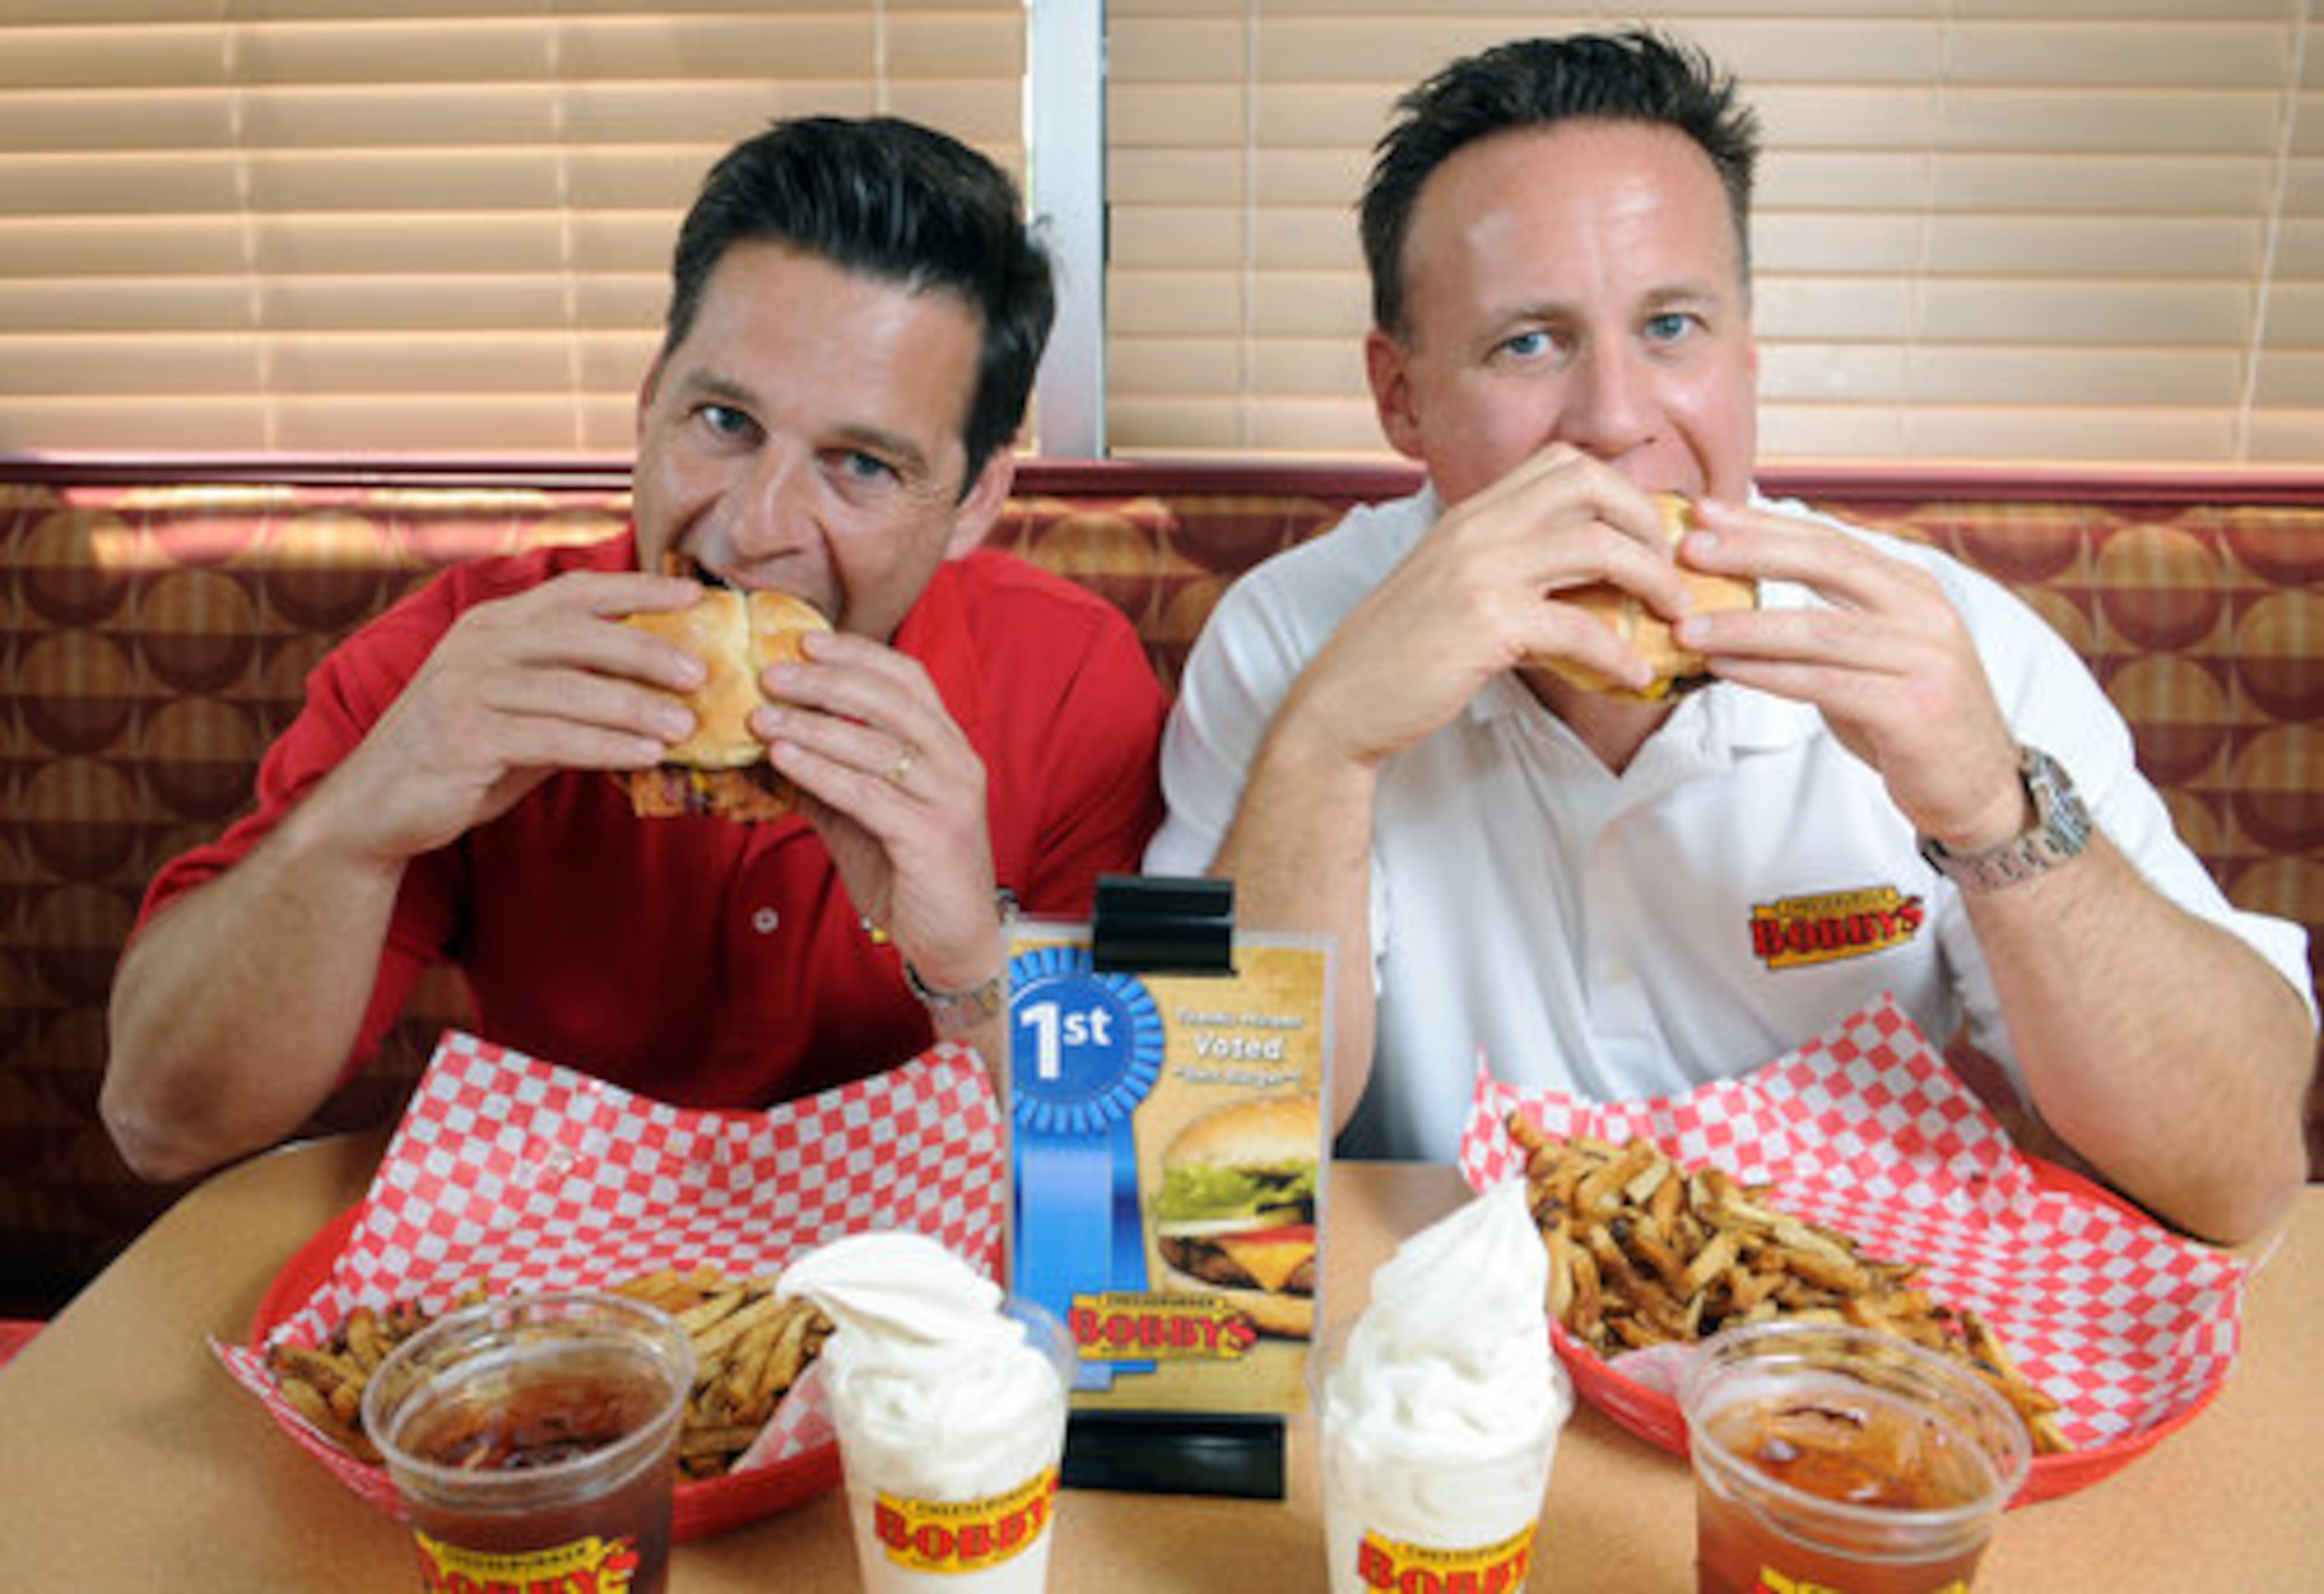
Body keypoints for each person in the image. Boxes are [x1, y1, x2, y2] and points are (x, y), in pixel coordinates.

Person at [1144, 31, 2316, 1245]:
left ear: (1748, 357)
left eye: (1672, 328)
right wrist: (1328, 747)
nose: (1612, 421)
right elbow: (1193, 1181)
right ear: (1403, 399)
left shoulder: (1945, 638)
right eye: (1527, 344)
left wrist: (1990, 811)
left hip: (1844, 1342)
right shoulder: (1292, 636)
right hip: (1447, 1353)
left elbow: (2237, 1175)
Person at [105, 116, 1168, 1184]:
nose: (756, 527)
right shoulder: (461, 661)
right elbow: (160, 1124)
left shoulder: (1074, 681)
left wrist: (973, 963)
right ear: (651, 403)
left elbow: (1135, 1192)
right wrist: (359, 824)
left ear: (977, 498)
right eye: (724, 420)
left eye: (860, 465)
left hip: (932, 1313)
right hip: (560, 1302)